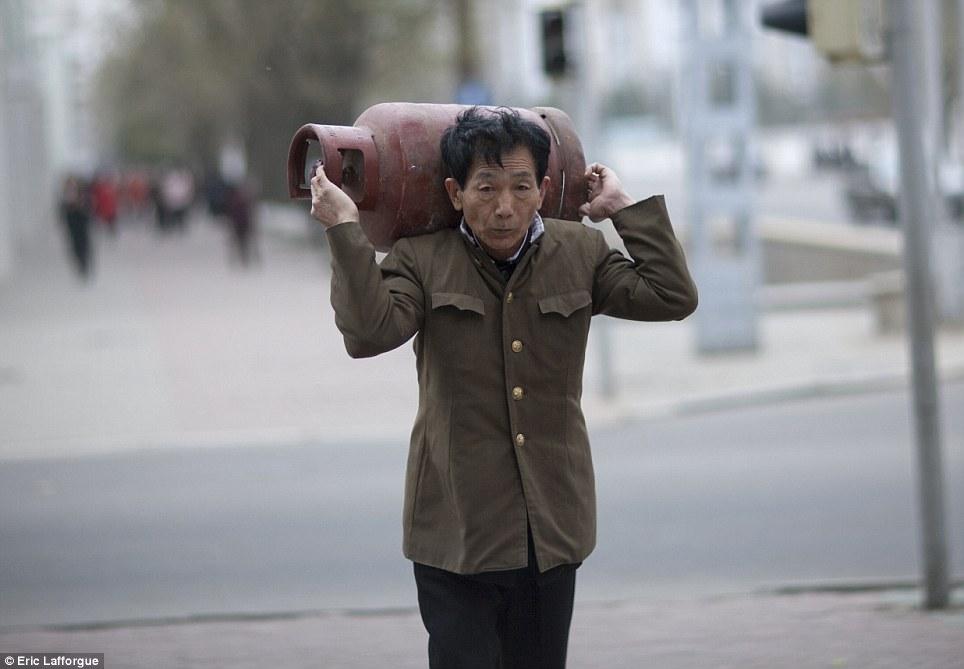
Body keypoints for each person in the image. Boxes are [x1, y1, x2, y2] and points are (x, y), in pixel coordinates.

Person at [309, 107, 698, 669]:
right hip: (456, 534)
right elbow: (367, 334)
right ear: (456, 191)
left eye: (521, 187)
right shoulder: (422, 259)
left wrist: (621, 210)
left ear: (543, 190)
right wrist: (345, 230)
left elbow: (672, 295)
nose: (505, 207)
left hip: (552, 530)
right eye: (486, 188)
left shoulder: (579, 253)